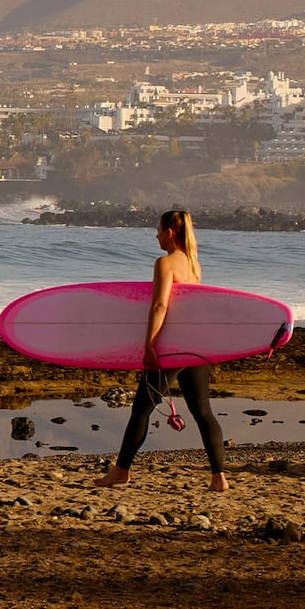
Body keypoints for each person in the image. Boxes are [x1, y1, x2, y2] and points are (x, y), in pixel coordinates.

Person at [94, 207, 229, 493]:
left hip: (171, 347)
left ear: (170, 233)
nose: (156, 234)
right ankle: (219, 478)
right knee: (203, 412)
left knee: (142, 408)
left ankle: (121, 471)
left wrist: (150, 345)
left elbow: (160, 306)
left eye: (158, 230)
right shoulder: (194, 266)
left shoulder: (165, 264)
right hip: (194, 345)